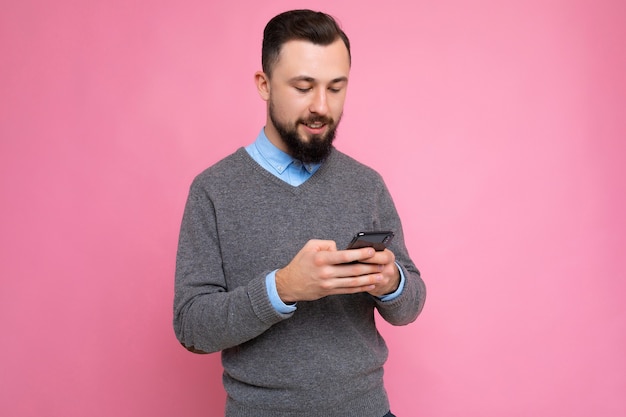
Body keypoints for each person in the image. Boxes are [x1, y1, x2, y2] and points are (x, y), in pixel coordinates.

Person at [173, 9, 426, 417]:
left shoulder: (367, 184)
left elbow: (410, 304)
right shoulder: (213, 191)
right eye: (304, 87)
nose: (321, 107)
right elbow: (191, 327)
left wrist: (390, 280)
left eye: (336, 87)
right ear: (264, 84)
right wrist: (283, 288)